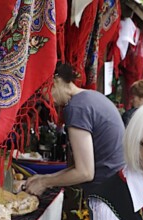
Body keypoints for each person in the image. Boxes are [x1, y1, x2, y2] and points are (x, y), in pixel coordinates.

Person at [24, 63, 125, 196]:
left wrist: (44, 183)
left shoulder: (76, 107)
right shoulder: (91, 97)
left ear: (56, 81)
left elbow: (84, 173)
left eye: (41, 90)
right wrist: (45, 178)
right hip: (116, 184)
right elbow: (83, 165)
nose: (45, 98)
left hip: (107, 192)